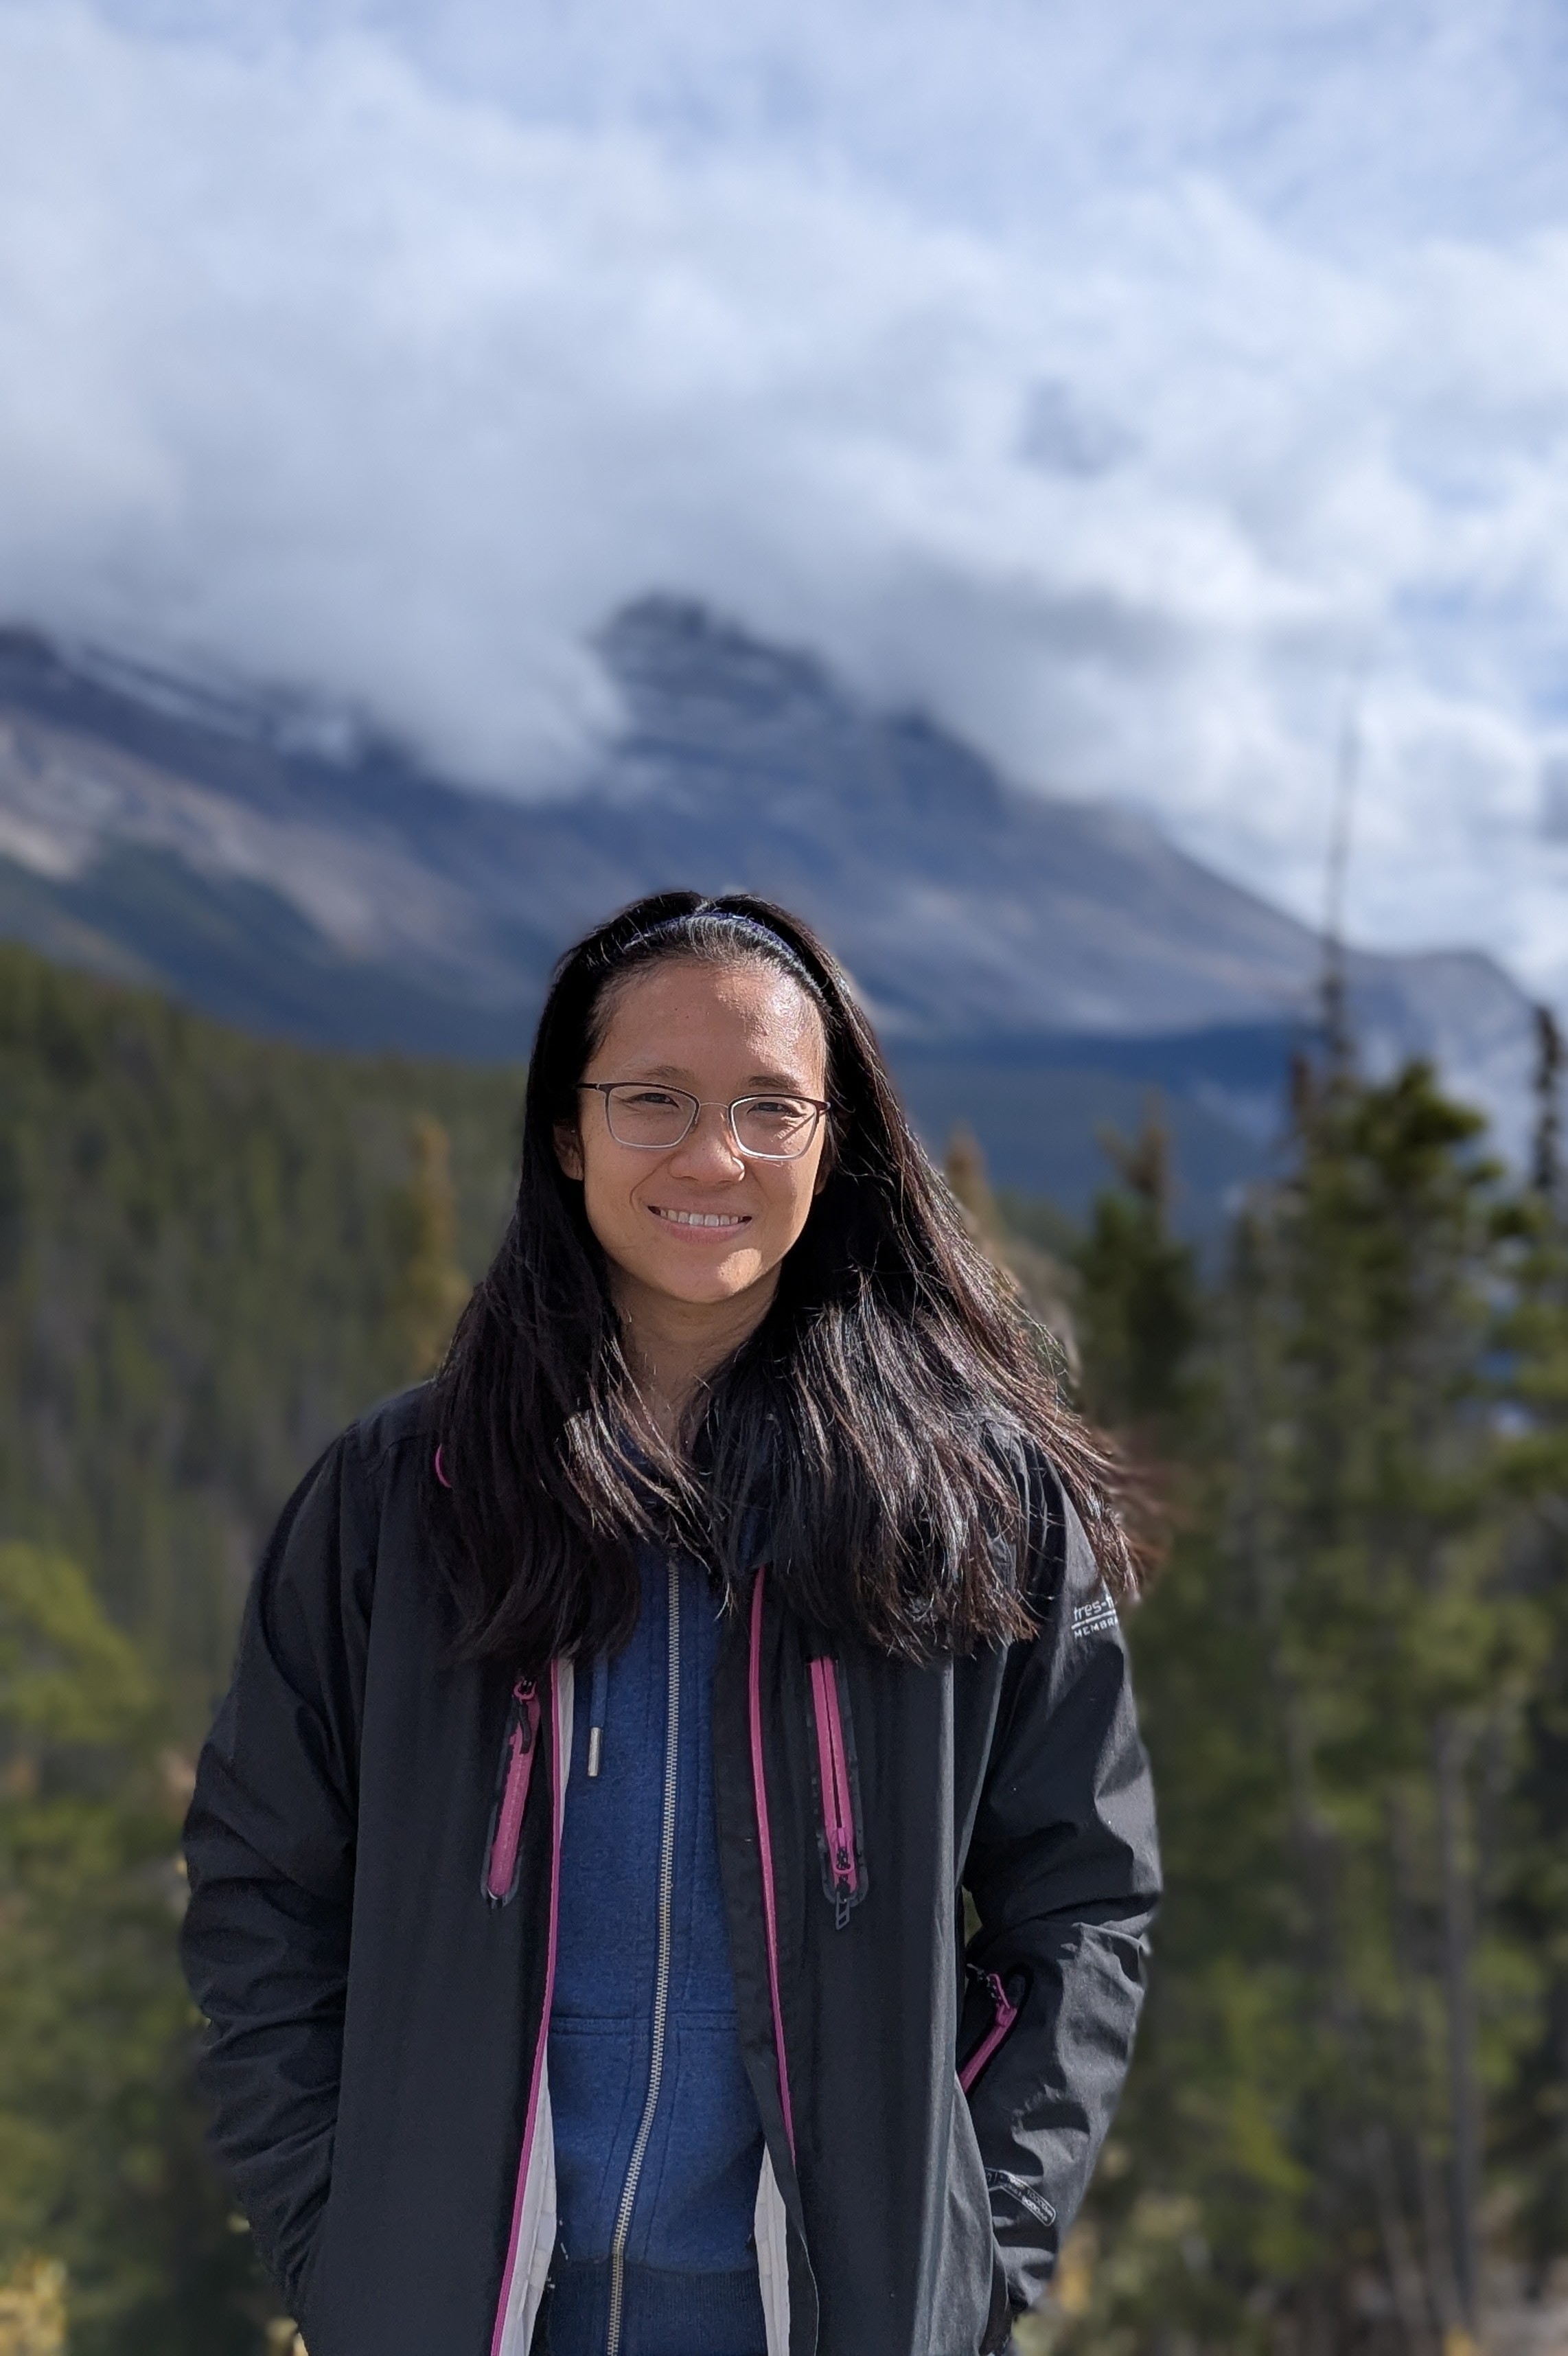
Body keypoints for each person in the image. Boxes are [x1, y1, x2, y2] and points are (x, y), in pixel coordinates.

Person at [181, 891, 1160, 2356]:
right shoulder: (403, 1495)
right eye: (655, 1100)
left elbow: (1081, 1905)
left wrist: (966, 2248)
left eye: (771, 1107)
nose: (715, 1155)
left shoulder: (963, 1502)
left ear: (833, 1149)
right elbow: (263, 1889)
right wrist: (347, 2246)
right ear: (567, 1134)